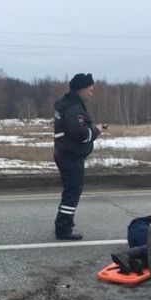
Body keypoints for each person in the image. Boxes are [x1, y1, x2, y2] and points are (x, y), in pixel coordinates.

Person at [53, 73, 102, 240]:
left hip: (65, 154)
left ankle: (64, 224)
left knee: (71, 191)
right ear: (81, 90)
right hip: (70, 156)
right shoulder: (75, 108)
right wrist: (96, 131)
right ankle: (63, 229)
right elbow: (79, 133)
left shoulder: (68, 105)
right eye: (90, 89)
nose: (91, 93)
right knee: (72, 192)